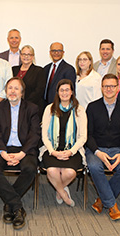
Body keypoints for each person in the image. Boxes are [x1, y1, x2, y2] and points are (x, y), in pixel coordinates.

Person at [0, 77, 40, 230]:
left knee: (30, 168)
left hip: (24, 149)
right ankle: (16, 206)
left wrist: (22, 154)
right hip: (2, 148)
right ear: (6, 90)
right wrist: (3, 153)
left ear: (22, 92)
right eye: (10, 88)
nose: (13, 91)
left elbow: (35, 134)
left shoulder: (32, 108)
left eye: (16, 88)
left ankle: (9, 205)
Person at [86, 74, 120, 221]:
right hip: (96, 148)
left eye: (112, 86)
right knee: (94, 167)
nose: (109, 89)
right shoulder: (92, 107)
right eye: (106, 86)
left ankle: (102, 199)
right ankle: (112, 205)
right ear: (101, 88)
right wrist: (98, 152)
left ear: (118, 88)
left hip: (118, 149)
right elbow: (88, 135)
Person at [41, 79, 87, 207]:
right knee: (52, 171)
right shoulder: (49, 109)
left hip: (72, 150)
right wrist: (53, 152)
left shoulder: (79, 110)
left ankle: (58, 189)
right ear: (57, 92)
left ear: (72, 92)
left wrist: (71, 151)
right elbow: (44, 135)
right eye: (62, 90)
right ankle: (63, 193)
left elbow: (83, 137)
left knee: (69, 173)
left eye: (67, 90)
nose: (64, 93)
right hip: (52, 149)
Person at [12, 45, 45, 117]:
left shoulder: (39, 71)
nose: (26, 57)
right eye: (24, 54)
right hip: (14, 106)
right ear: (20, 55)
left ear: (32, 57)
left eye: (29, 54)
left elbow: (39, 91)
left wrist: (24, 104)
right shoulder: (14, 70)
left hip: (31, 107)